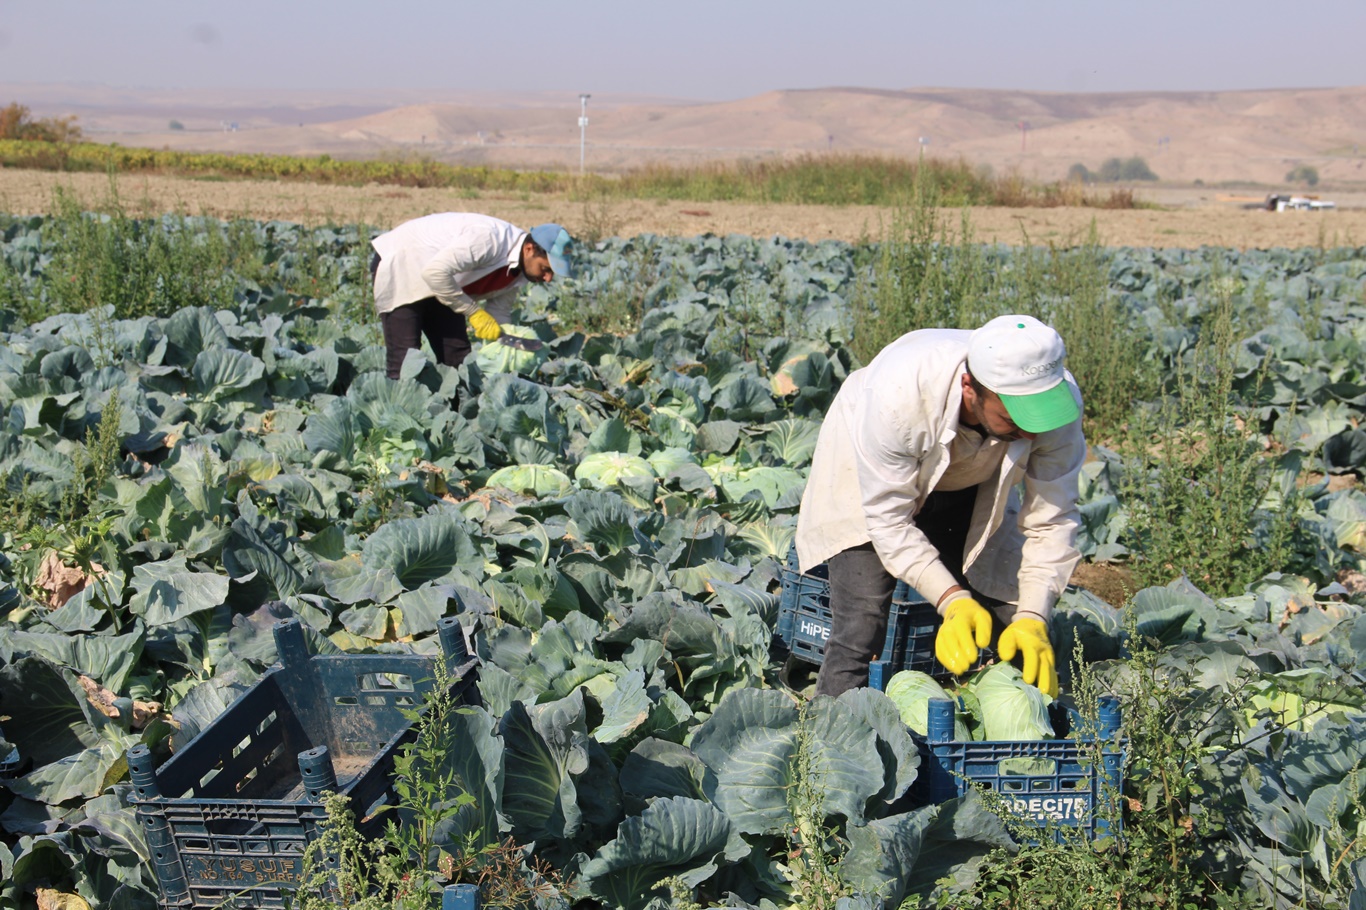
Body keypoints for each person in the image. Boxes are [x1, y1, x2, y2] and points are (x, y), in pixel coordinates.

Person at [795, 314, 1086, 699]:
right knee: (861, 624)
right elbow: (889, 523)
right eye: (1016, 417)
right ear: (970, 388)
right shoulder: (900, 394)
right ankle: (824, 733)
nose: (1032, 431)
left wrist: (1033, 617)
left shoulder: (1056, 404)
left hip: (973, 475)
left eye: (1040, 416)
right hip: (869, 470)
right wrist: (952, 600)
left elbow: (1052, 520)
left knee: (1008, 607)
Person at [370, 213, 574, 378]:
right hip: (404, 264)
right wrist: (473, 312)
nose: (548, 278)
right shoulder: (488, 240)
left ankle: (455, 419)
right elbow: (434, 273)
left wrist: (508, 351)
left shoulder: (520, 272)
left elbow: (499, 314)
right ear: (529, 249)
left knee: (456, 356)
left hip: (445, 283)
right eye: (545, 269)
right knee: (405, 361)